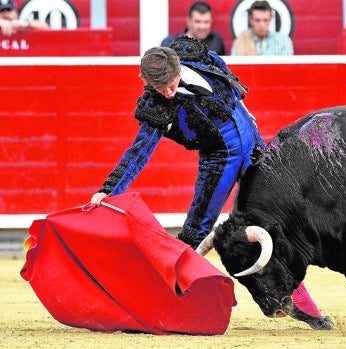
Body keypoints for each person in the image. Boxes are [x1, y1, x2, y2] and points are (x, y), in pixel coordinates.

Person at [88, 38, 331, 330]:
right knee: (195, 231)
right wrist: (109, 189)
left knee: (275, 222)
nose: (168, 92)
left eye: (172, 83)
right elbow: (139, 151)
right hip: (220, 157)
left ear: (179, 67)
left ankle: (302, 306)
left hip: (249, 139)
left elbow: (225, 74)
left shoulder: (194, 55)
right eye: (159, 87)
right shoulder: (156, 104)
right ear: (145, 81)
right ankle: (164, 303)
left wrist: (242, 104)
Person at [161, 1, 225, 56]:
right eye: (197, 22)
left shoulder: (216, 40)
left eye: (206, 22)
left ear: (211, 22)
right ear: (189, 21)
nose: (202, 27)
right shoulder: (170, 42)